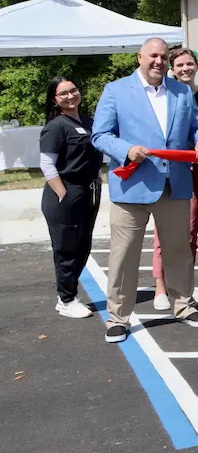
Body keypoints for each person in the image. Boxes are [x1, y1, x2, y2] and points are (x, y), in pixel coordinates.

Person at [91, 38, 198, 343]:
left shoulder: (182, 91)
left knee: (178, 250)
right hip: (132, 186)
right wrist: (126, 149)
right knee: (124, 255)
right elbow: (100, 135)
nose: (159, 61)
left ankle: (183, 305)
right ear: (139, 58)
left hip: (174, 185)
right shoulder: (116, 90)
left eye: (163, 56)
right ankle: (118, 317)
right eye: (153, 56)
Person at [40, 75, 103, 319]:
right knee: (66, 249)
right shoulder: (56, 126)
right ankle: (65, 299)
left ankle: (69, 293)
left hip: (89, 192)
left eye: (73, 90)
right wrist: (63, 194)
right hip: (65, 194)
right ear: (55, 100)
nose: (70, 96)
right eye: (63, 93)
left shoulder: (89, 121)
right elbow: (47, 164)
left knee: (83, 246)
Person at [151, 47, 198, 308]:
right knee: (164, 233)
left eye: (189, 63)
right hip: (167, 171)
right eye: (180, 65)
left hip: (195, 171)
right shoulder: (165, 94)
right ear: (172, 69)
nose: (185, 69)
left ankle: (186, 285)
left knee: (190, 231)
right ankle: (161, 288)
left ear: (197, 65)